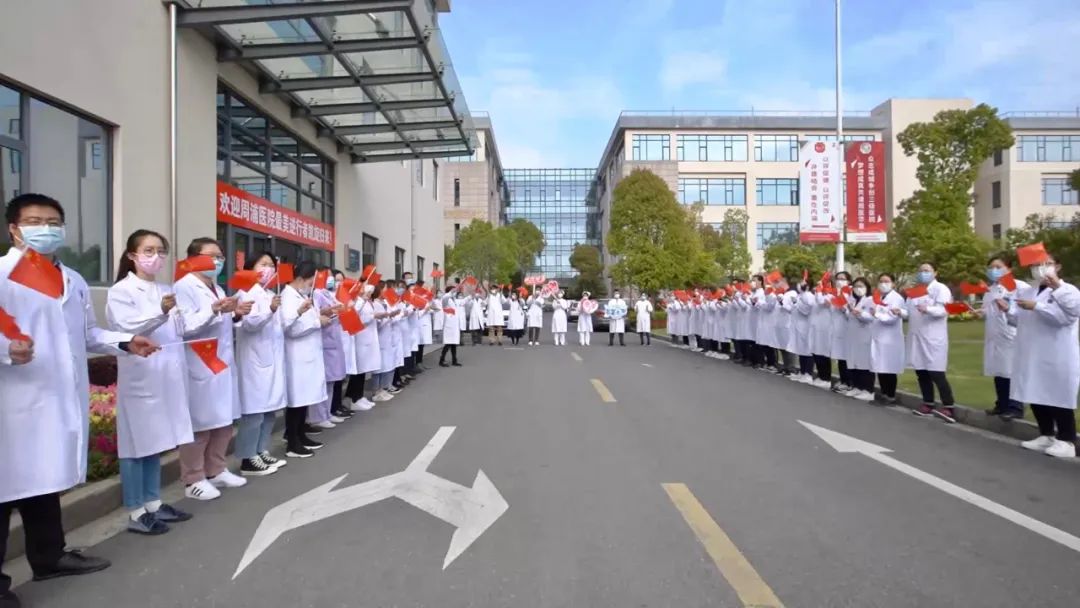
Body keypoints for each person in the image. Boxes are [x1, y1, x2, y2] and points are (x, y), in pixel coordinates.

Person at [1, 194, 157, 604]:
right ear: (14, 229)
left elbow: (89, 333)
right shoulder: (2, 274)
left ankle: (49, 557)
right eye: (35, 221)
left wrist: (126, 341)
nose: (46, 229)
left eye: (53, 222)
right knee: (6, 487)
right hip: (13, 400)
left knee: (44, 481)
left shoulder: (72, 279)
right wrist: (6, 349)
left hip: (57, 398)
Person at [105, 229, 195, 534]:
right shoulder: (121, 291)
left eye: (160, 251)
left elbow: (180, 328)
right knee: (136, 444)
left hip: (166, 376)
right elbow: (127, 328)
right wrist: (161, 312)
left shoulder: (165, 289)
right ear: (132, 255)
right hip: (140, 377)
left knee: (155, 441)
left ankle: (154, 503)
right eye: (148, 250)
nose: (155, 257)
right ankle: (136, 511)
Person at [174, 237, 246, 499]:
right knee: (201, 424)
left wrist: (236, 313)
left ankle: (216, 469)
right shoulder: (183, 286)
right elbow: (185, 327)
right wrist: (214, 311)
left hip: (220, 361)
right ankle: (193, 478)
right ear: (193, 258)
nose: (217, 261)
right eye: (210, 255)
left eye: (220, 256)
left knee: (223, 421)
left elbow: (223, 324)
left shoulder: (217, 287)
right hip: (200, 361)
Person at [1013, 252, 1079, 458]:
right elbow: (1020, 320)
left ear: (1057, 267)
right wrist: (1008, 311)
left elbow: (1067, 317)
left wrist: (1037, 306)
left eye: (1046, 263)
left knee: (1058, 395)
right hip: (1033, 351)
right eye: (1036, 264)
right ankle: (1046, 434)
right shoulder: (1030, 291)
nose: (1040, 268)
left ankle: (1067, 440)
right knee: (1035, 391)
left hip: (1057, 352)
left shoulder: (1068, 291)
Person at [233, 252, 288, 477]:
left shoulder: (270, 294)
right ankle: (248, 458)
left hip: (271, 359)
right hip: (253, 361)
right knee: (254, 413)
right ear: (251, 267)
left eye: (271, 265)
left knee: (269, 411)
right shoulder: (245, 292)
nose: (268, 269)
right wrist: (270, 310)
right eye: (263, 264)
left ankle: (261, 450)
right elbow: (249, 324)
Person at [281, 261, 330, 457]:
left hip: (308, 355)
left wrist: (321, 317)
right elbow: (290, 329)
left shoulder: (301, 296)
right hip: (297, 357)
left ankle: (301, 435)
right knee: (297, 402)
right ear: (301, 278)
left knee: (304, 400)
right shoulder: (288, 297)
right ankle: (292, 442)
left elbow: (307, 320)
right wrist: (317, 323)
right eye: (311, 282)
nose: (312, 286)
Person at [976, 256, 1027, 420]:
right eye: (991, 267)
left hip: (1013, 335)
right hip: (995, 336)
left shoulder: (1019, 287)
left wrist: (1008, 308)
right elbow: (988, 309)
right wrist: (981, 312)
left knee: (1012, 371)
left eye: (998, 267)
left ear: (1009, 269)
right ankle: (1001, 405)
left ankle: (1015, 407)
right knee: (999, 371)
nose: (994, 270)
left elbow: (1026, 311)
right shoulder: (990, 289)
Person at [907, 262, 956, 422]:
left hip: (934, 338)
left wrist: (928, 309)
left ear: (935, 272)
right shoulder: (915, 291)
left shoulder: (941, 289)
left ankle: (948, 406)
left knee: (936, 373)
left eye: (927, 270)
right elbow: (908, 311)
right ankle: (928, 403)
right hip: (917, 336)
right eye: (921, 270)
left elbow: (944, 310)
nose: (923, 273)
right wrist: (898, 311)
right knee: (921, 372)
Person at [310, 266, 347, 430]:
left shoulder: (327, 293)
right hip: (324, 341)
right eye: (328, 275)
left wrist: (338, 309)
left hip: (333, 339)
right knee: (324, 382)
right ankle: (318, 416)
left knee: (331, 380)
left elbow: (335, 308)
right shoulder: (316, 293)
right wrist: (328, 311)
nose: (330, 279)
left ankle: (327, 412)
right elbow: (316, 313)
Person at [870, 273, 907, 404]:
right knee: (880, 367)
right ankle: (884, 393)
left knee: (889, 368)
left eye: (886, 281)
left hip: (890, 339)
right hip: (878, 336)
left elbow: (891, 319)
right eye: (881, 281)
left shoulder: (897, 298)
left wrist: (877, 314)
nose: (883, 284)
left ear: (893, 284)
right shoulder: (878, 297)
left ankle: (891, 395)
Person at [844, 277, 877, 402]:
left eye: (861, 286)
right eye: (856, 286)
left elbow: (870, 317)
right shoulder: (852, 300)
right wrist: (849, 310)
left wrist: (859, 313)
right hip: (853, 335)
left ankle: (868, 390)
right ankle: (857, 387)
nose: (858, 289)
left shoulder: (870, 300)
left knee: (865, 363)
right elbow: (849, 316)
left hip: (865, 335)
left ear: (867, 288)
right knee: (854, 361)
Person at [332, 270, 358, 419]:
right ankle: (333, 408)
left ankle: (338, 404)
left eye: (341, 280)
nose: (339, 283)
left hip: (345, 338)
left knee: (341, 376)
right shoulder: (328, 296)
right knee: (335, 378)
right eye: (336, 280)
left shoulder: (345, 297)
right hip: (334, 342)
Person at [350, 281, 381, 408]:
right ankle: (354, 399)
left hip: (368, 338)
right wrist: (373, 316)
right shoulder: (358, 302)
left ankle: (360, 396)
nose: (368, 293)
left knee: (363, 371)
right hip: (360, 339)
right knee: (358, 370)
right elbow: (357, 319)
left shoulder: (366, 302)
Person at [373, 284, 403, 397]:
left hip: (389, 337)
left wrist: (390, 316)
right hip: (381, 339)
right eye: (384, 289)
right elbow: (377, 325)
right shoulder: (375, 304)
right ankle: (377, 390)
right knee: (379, 367)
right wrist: (389, 317)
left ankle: (385, 388)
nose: (386, 292)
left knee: (388, 364)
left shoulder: (385, 303)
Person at [830, 271, 853, 392]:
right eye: (838, 279)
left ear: (849, 281)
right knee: (840, 356)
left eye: (843, 279)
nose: (840, 281)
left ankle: (849, 382)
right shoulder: (835, 293)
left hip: (847, 329)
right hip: (837, 329)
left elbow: (852, 313)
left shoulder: (851, 293)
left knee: (846, 357)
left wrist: (843, 307)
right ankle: (843, 380)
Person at [439, 286, 463, 367]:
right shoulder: (446, 297)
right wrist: (451, 292)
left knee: (453, 344)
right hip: (449, 323)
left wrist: (470, 296)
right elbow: (444, 304)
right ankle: (441, 360)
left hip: (454, 324)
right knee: (448, 343)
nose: (455, 291)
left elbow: (462, 302)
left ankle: (454, 360)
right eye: (453, 290)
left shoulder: (454, 299)